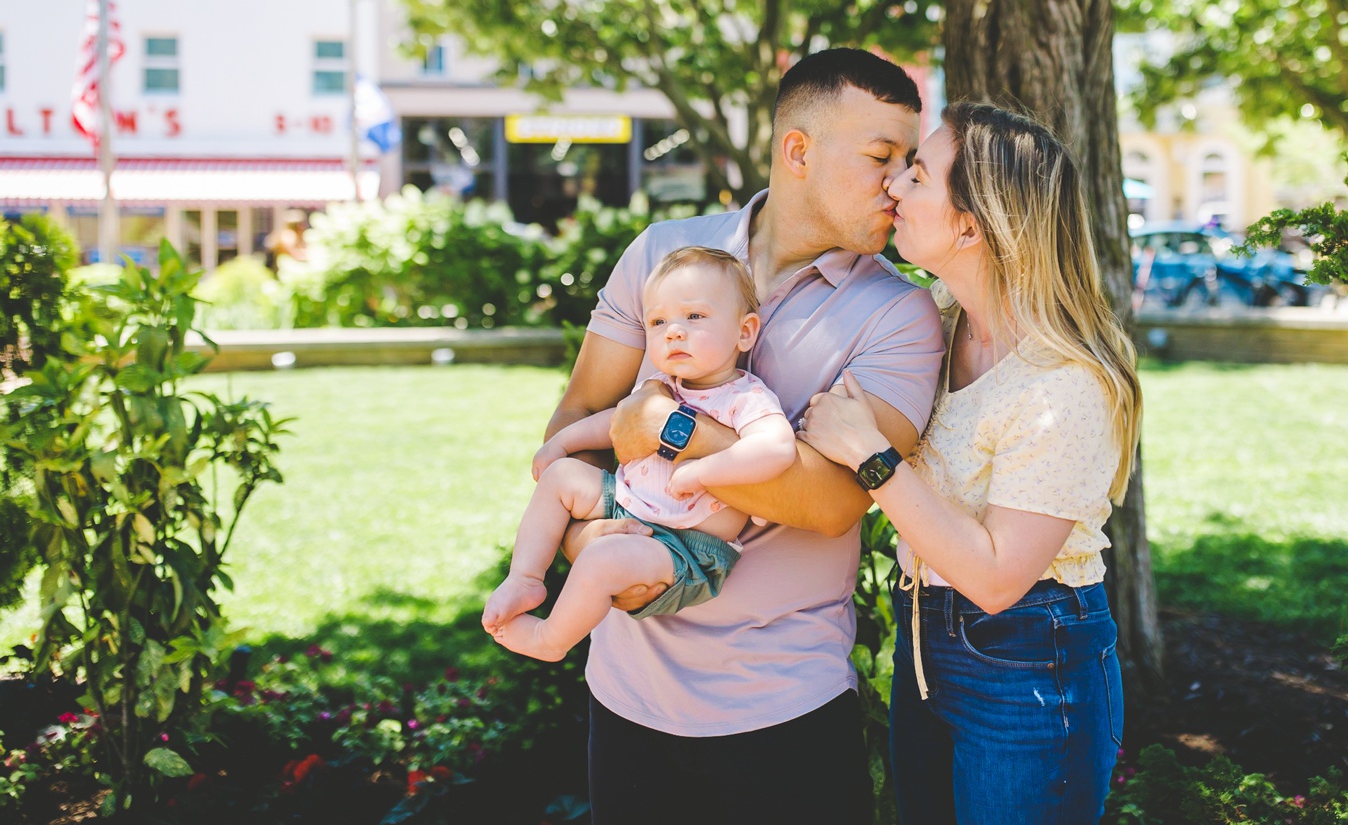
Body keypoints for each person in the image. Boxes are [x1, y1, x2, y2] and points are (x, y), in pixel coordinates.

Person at [540, 48, 947, 825]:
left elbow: (833, 504)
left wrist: (673, 430)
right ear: (798, 150)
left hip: (784, 704)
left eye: (909, 162)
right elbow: (573, 426)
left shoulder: (899, 315)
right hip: (627, 695)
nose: (898, 183)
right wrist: (587, 545)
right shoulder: (662, 252)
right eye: (880, 157)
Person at [799, 103, 1141, 825]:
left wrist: (872, 458)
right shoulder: (935, 320)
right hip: (924, 637)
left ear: (970, 225)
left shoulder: (1067, 383)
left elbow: (994, 578)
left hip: (1029, 662)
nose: (894, 188)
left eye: (917, 176)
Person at [480, 246, 796, 662]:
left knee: (602, 561)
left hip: (687, 546)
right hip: (632, 505)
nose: (674, 331)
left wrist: (704, 473)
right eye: (658, 321)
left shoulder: (745, 398)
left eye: (695, 317)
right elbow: (615, 421)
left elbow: (776, 449)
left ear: (744, 332)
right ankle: (525, 578)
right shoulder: (661, 384)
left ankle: (550, 641)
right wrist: (563, 443)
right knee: (561, 478)